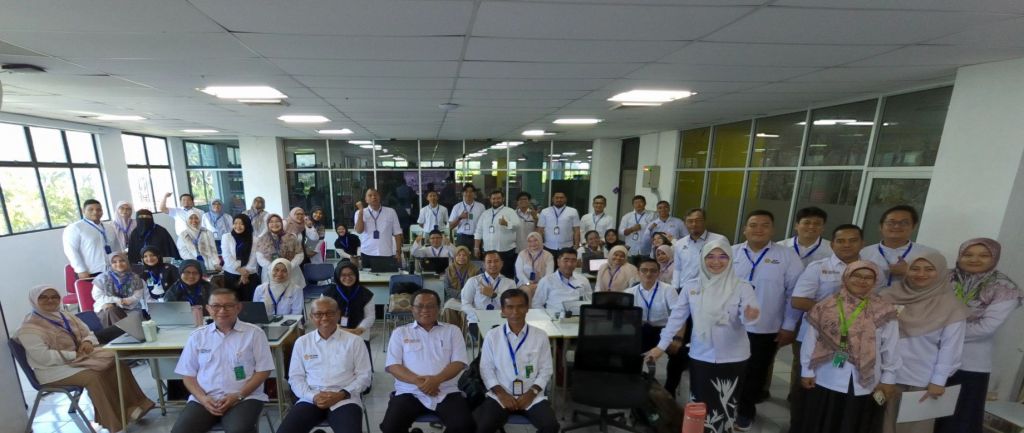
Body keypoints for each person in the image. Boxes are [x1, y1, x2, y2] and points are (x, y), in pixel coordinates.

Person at [645, 240, 760, 432]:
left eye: (722, 256)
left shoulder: (742, 287)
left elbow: (749, 320)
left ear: (730, 259)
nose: (716, 261)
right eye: (710, 256)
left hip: (733, 358)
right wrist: (660, 347)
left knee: (726, 404)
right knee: (700, 403)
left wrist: (750, 316)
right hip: (701, 355)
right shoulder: (691, 287)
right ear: (702, 259)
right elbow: (676, 319)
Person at [16, 286, 154, 433]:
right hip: (52, 370)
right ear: (34, 300)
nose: (50, 300)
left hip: (78, 359)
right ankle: (114, 421)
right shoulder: (29, 328)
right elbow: (43, 357)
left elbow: (87, 332)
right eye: (43, 297)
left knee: (115, 361)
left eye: (54, 296)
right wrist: (74, 355)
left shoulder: (64, 315)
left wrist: (87, 342)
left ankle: (135, 407)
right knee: (95, 376)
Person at [797, 261, 900, 433]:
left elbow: (891, 347)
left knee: (856, 423)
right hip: (827, 376)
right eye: (856, 275)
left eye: (868, 277)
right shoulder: (826, 306)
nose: (862, 281)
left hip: (867, 381)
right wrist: (807, 370)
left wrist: (888, 379)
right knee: (825, 421)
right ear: (846, 277)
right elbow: (811, 339)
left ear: (875, 281)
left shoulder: (884, 310)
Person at [935, 238, 1023, 433]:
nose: (974, 259)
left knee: (959, 420)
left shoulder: (1004, 288)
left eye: (984, 255)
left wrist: (939, 333)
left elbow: (986, 327)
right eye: (968, 254)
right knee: (925, 415)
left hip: (969, 364)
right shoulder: (942, 278)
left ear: (995, 257)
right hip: (931, 358)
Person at [788, 223, 868, 431]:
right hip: (816, 338)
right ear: (832, 244)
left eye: (853, 240)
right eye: (841, 241)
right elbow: (798, 300)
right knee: (806, 385)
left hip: (855, 342)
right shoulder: (818, 267)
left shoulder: (870, 270)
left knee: (841, 389)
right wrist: (833, 314)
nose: (846, 245)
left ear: (862, 243)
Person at [731, 210, 804, 431]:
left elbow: (794, 294)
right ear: (745, 229)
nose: (759, 229)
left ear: (773, 230)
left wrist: (789, 326)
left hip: (765, 327)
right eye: (753, 225)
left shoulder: (787, 256)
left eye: (765, 225)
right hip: (730, 325)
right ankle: (726, 404)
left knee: (756, 372)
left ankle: (745, 411)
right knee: (729, 368)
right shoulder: (730, 252)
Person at [880, 251, 969, 433]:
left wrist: (939, 381)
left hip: (921, 380)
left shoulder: (951, 307)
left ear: (941, 271)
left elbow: (950, 348)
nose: (921, 274)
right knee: (881, 426)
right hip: (883, 375)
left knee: (915, 429)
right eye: (915, 268)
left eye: (929, 269)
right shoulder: (888, 296)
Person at [171, 288, 275, 433]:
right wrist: (203, 399)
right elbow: (188, 376)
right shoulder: (197, 336)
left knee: (238, 430)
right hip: (205, 399)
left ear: (238, 307)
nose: (222, 310)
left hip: (245, 397)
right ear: (208, 308)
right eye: (216, 306)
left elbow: (263, 371)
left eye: (228, 305)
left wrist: (238, 396)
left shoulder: (254, 334)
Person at [381, 290, 474, 433]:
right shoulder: (400, 332)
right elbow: (393, 366)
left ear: (439, 308)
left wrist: (436, 380)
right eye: (420, 306)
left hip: (445, 391)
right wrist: (419, 382)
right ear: (412, 309)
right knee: (390, 428)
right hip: (409, 391)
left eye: (430, 306)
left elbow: (459, 363)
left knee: (465, 426)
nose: (425, 310)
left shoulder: (452, 331)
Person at [277, 297, 372, 433]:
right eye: (318, 314)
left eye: (330, 313)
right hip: (311, 398)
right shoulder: (302, 342)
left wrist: (341, 394)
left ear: (338, 315)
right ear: (311, 317)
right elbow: (295, 377)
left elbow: (365, 376)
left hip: (345, 398)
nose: (325, 318)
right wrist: (313, 396)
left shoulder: (355, 341)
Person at [474, 288, 559, 433]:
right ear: (503, 310)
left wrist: (531, 393)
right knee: (482, 427)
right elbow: (486, 369)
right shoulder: (492, 336)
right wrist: (501, 394)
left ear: (527, 308)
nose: (515, 312)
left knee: (551, 426)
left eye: (520, 306)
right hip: (501, 395)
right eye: (510, 307)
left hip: (531, 396)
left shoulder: (540, 335)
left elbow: (546, 370)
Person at [628, 258, 682, 379]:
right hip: (641, 330)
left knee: (680, 353)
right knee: (627, 350)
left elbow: (679, 316)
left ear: (658, 273)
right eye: (644, 270)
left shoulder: (668, 290)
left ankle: (670, 386)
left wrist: (677, 338)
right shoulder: (629, 292)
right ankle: (635, 379)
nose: (648, 274)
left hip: (663, 330)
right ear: (638, 272)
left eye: (653, 271)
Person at [861, 205, 937, 289]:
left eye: (904, 223)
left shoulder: (930, 254)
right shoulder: (864, 253)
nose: (897, 226)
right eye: (891, 223)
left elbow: (938, 285)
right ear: (880, 226)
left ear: (914, 227)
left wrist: (909, 272)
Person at [63, 199, 122, 279]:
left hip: (112, 270)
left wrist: (121, 265)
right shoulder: (75, 228)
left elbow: (117, 248)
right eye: (91, 209)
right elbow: (71, 251)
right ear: (83, 211)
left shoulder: (109, 227)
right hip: (90, 272)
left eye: (98, 209)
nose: (95, 212)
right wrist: (80, 270)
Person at [323, 260, 376, 349]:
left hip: (359, 334)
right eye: (343, 275)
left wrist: (359, 330)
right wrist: (335, 327)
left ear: (356, 275)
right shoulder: (328, 293)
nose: (347, 278)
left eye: (351, 274)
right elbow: (322, 313)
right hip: (334, 333)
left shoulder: (366, 294)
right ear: (338, 276)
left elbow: (370, 316)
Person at [461, 250, 517, 326]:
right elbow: (465, 304)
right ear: (484, 265)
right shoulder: (473, 281)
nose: (493, 264)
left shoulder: (510, 283)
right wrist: (479, 316)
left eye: (496, 261)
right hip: (478, 321)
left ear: (501, 263)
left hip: (502, 321)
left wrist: (494, 295)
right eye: (489, 262)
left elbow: (512, 304)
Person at [474, 190, 520, 278]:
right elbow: (478, 231)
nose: (496, 200)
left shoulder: (510, 211)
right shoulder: (485, 213)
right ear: (490, 200)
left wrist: (506, 223)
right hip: (488, 251)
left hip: (505, 251)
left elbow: (517, 225)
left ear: (503, 199)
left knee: (506, 276)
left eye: (498, 198)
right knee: (489, 275)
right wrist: (476, 247)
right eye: (493, 198)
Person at [91, 252, 146, 327]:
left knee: (113, 312)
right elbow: (97, 296)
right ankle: (127, 331)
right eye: (114, 262)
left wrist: (125, 301)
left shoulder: (135, 278)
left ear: (127, 261)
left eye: (122, 260)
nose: (119, 264)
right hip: (106, 306)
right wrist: (117, 301)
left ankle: (119, 333)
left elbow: (138, 295)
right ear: (110, 264)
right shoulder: (102, 278)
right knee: (111, 311)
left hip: (130, 306)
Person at [531, 248, 593, 315]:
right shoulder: (546, 281)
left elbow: (590, 301)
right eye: (566, 261)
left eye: (573, 261)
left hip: (578, 317)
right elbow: (536, 304)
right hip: (554, 318)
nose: (569, 264)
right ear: (558, 262)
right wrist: (547, 317)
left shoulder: (583, 280)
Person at [355, 188, 404, 267]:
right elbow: (359, 230)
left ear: (379, 197)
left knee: (387, 274)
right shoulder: (359, 213)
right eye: (370, 195)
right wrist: (361, 212)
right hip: (367, 253)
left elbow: (397, 233)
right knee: (367, 275)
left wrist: (398, 252)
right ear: (366, 199)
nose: (373, 197)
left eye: (375, 195)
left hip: (386, 252)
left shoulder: (391, 212)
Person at [255, 214, 306, 289]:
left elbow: (300, 254)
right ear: (267, 224)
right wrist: (272, 267)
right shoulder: (262, 239)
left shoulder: (291, 237)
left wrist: (289, 266)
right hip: (271, 272)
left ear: (281, 223)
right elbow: (259, 256)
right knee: (273, 294)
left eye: (277, 221)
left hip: (291, 272)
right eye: (271, 222)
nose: (274, 224)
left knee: (292, 293)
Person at [222, 214, 261, 302]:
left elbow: (253, 258)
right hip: (231, 274)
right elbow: (226, 256)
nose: (238, 226)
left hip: (249, 275)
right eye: (235, 223)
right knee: (232, 302)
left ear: (247, 225)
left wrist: (245, 273)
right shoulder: (226, 237)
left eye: (241, 224)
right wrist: (239, 270)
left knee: (249, 302)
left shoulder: (254, 239)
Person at [440, 246, 480, 330]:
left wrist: (466, 296)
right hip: (454, 299)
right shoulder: (449, 270)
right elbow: (447, 288)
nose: (461, 257)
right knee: (448, 310)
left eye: (464, 255)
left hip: (470, 300)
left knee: (466, 313)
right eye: (459, 255)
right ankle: (451, 334)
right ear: (455, 256)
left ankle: (465, 336)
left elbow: (477, 288)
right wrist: (461, 295)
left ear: (468, 257)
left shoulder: (475, 270)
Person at [515, 232, 554, 298]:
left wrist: (538, 285)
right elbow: (519, 273)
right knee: (527, 291)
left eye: (535, 240)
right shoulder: (522, 254)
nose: (532, 243)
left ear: (540, 240)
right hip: (525, 283)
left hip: (543, 284)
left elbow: (549, 274)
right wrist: (528, 283)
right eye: (530, 241)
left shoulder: (548, 255)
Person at [619, 195, 655, 263]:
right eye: (636, 203)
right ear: (633, 204)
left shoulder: (652, 215)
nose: (638, 204)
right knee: (630, 268)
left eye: (640, 202)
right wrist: (631, 229)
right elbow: (621, 232)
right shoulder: (627, 216)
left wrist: (642, 226)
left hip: (646, 249)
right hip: (631, 249)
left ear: (645, 203)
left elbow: (655, 229)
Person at [449, 184, 483, 251]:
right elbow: (450, 226)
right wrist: (460, 217)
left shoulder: (481, 207)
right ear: (462, 193)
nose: (468, 194)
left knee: (476, 257)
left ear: (474, 194)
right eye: (466, 191)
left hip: (476, 238)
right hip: (462, 238)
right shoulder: (457, 207)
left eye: (471, 191)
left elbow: (483, 225)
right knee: (461, 257)